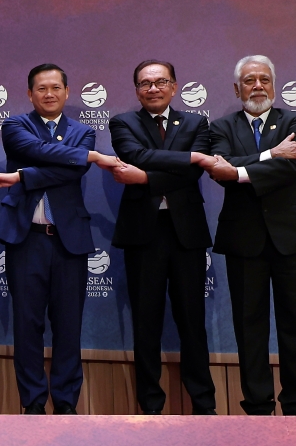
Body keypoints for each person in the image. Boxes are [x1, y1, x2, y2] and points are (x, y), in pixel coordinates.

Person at [0, 63, 120, 415]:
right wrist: (88, 156)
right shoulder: (15, 125)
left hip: (69, 241)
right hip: (25, 239)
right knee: (27, 326)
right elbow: (44, 155)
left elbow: (69, 169)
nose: (49, 94)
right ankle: (32, 405)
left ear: (66, 92)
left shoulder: (83, 130)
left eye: (55, 88)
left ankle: (65, 406)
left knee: (68, 327)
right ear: (30, 94)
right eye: (41, 89)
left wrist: (21, 177)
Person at [108, 60, 217, 415]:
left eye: (160, 82)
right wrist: (188, 157)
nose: (153, 88)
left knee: (193, 323)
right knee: (146, 322)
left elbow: (191, 175)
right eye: (145, 83)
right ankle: (150, 408)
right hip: (143, 234)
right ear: (137, 89)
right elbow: (134, 155)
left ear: (173, 86)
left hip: (186, 233)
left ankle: (204, 407)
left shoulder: (196, 122)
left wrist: (145, 178)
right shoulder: (123, 122)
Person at [205, 55, 296, 416]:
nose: (257, 85)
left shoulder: (293, 121)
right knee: (249, 328)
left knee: (294, 327)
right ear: (236, 88)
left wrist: (242, 170)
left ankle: (294, 408)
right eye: (249, 80)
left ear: (274, 86)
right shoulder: (221, 127)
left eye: (263, 79)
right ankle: (257, 409)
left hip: (290, 240)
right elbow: (220, 170)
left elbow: (291, 170)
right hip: (244, 242)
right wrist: (274, 154)